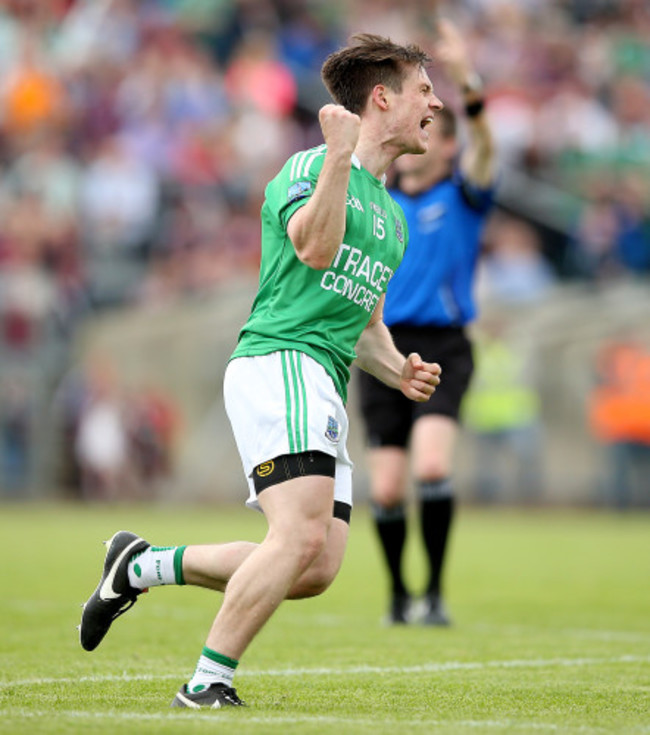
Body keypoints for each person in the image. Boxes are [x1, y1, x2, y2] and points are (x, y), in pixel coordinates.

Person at [79, 33, 443, 710]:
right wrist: (339, 159)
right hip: (282, 361)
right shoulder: (309, 166)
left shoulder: (392, 219)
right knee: (298, 535)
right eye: (424, 90)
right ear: (383, 98)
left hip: (324, 377)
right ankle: (206, 681)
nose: (436, 102)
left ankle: (140, 565)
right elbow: (313, 247)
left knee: (314, 568)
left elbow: (363, 324)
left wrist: (398, 369)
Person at [358, 18, 497, 626]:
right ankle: (396, 594)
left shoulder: (464, 196)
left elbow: (486, 143)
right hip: (381, 346)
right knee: (387, 489)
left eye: (442, 129)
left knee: (433, 466)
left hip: (444, 343)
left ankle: (435, 594)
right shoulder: (379, 198)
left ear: (446, 145)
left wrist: (466, 78)